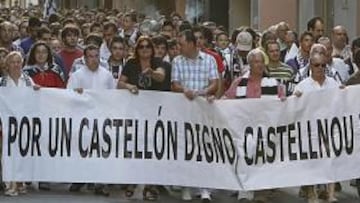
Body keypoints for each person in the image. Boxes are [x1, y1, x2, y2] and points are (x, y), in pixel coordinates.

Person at [172, 29, 219, 203]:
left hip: (203, 109)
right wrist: (184, 90)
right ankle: (186, 185)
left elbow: (215, 83)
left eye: (182, 44)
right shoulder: (177, 61)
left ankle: (205, 187)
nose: (180, 47)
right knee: (186, 147)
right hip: (184, 109)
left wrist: (202, 92)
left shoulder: (209, 60)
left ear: (192, 44)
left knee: (204, 147)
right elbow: (174, 84)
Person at [117, 36, 165, 201]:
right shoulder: (131, 64)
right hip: (134, 111)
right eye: (141, 47)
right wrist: (129, 85)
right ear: (137, 50)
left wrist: (151, 72)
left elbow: (161, 76)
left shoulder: (158, 62)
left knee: (152, 148)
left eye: (148, 46)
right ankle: (132, 181)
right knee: (135, 146)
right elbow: (120, 84)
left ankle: (150, 185)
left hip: (154, 113)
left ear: (152, 49)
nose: (145, 49)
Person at [293, 53, 341, 203]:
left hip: (330, 128)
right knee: (311, 162)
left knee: (331, 160)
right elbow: (294, 106)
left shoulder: (333, 83)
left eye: (323, 65)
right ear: (310, 66)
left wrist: (346, 93)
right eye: (316, 65)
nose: (320, 68)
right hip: (310, 129)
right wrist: (296, 97)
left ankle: (330, 193)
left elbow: (342, 101)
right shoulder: (303, 85)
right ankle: (311, 194)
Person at [67, 44, 113, 197]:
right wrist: (76, 93)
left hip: (101, 118)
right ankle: (79, 178)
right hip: (82, 119)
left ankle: (100, 182)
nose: (94, 59)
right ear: (85, 58)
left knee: (99, 150)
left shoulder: (107, 75)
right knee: (82, 150)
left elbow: (114, 96)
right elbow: (68, 94)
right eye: (91, 56)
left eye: (96, 56)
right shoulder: (77, 75)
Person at [0, 51, 39, 196]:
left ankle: (21, 181)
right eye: (12, 62)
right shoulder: (2, 83)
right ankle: (10, 184)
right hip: (7, 125)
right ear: (7, 65)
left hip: (25, 124)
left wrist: (37, 90)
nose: (16, 65)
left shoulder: (28, 81)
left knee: (24, 153)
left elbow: (36, 100)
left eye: (18, 62)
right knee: (9, 155)